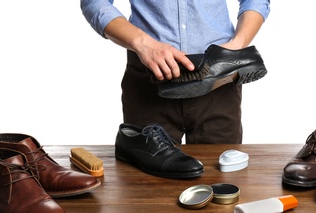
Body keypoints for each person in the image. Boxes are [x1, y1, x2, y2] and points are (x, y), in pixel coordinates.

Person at [80, 0, 270, 144]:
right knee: (148, 186)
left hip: (218, 78)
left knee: (222, 180)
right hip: (150, 78)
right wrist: (143, 44)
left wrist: (236, 47)